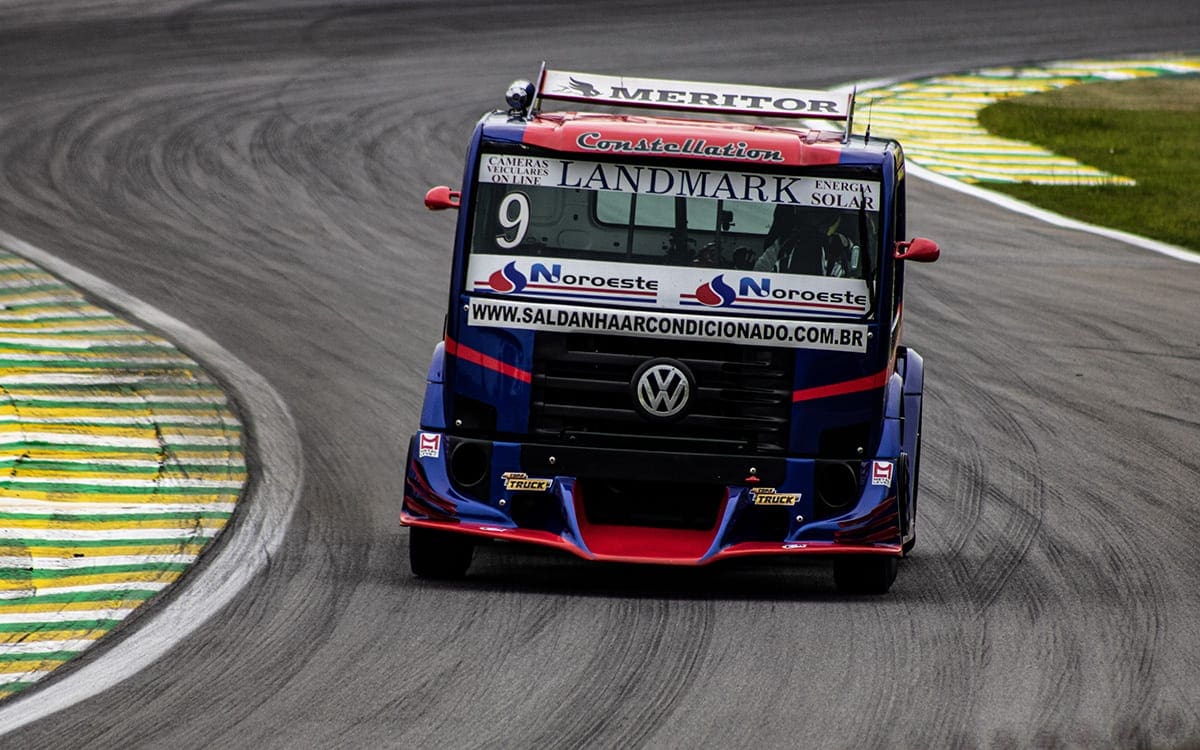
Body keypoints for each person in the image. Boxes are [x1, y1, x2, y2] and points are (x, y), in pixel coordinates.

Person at [754, 205, 853, 277]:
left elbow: (854, 274)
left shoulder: (839, 244)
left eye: (820, 216)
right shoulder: (783, 245)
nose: (813, 221)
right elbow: (760, 276)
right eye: (806, 215)